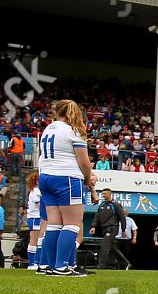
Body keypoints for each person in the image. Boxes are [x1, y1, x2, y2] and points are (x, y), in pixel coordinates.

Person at [35, 98, 96, 276]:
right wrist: (88, 178)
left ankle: (48, 264)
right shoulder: (74, 131)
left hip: (46, 177)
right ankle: (61, 266)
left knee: (53, 224)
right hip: (66, 178)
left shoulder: (48, 128)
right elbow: (84, 161)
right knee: (72, 224)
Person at [91, 188, 126, 270]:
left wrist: (123, 229)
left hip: (112, 228)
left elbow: (122, 217)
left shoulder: (116, 204)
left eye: (105, 194)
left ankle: (101, 266)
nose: (103, 195)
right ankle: (125, 263)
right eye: (103, 194)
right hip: (104, 228)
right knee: (112, 247)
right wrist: (93, 226)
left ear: (110, 194)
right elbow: (97, 217)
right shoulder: (102, 205)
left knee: (104, 246)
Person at [24, 172, 44, 270]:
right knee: (35, 240)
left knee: (37, 239)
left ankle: (36, 262)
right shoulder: (36, 191)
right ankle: (32, 263)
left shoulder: (35, 191)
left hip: (35, 217)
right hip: (36, 217)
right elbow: (39, 204)